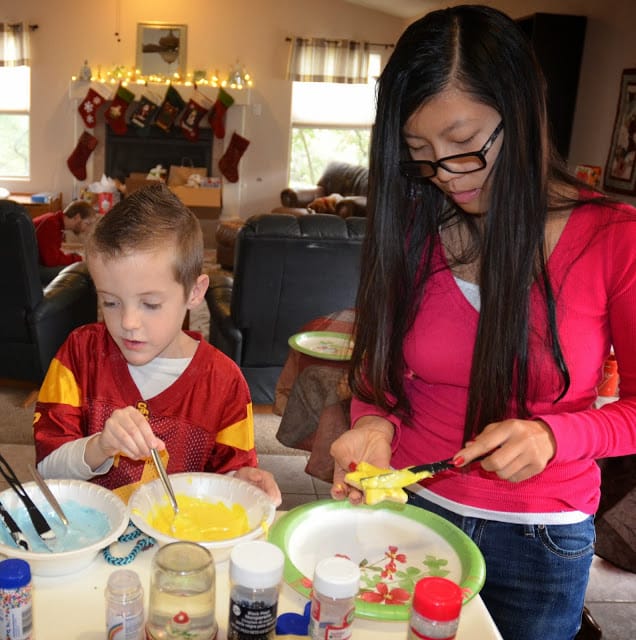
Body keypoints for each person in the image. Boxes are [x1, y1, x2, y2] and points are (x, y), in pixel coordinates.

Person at [329, 6, 636, 640]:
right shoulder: (415, 227)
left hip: (540, 539)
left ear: (521, 112)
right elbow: (379, 368)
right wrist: (372, 422)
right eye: (420, 155)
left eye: (464, 146)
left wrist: (555, 437)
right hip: (414, 513)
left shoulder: (614, 238)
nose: (445, 176)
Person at [33, 183, 281, 507]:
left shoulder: (224, 383)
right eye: (110, 302)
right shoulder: (78, 355)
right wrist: (100, 445)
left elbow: (228, 479)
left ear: (194, 292)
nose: (128, 323)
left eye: (150, 304)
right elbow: (46, 469)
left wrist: (242, 483)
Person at [32, 199, 95, 267]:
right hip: (33, 268)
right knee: (79, 268)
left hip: (35, 263)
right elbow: (52, 261)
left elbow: (53, 255)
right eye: (87, 223)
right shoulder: (51, 224)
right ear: (77, 217)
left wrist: (76, 257)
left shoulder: (56, 221)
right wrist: (80, 258)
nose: (87, 228)